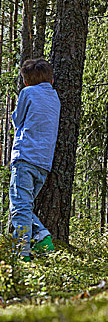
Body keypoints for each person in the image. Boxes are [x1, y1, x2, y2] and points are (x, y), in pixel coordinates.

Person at [9, 58, 61, 262]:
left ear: (26, 81)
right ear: (51, 80)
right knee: (24, 206)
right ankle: (40, 238)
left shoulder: (27, 93)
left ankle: (22, 255)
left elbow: (17, 119)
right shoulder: (54, 97)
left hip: (24, 157)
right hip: (43, 163)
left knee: (20, 208)